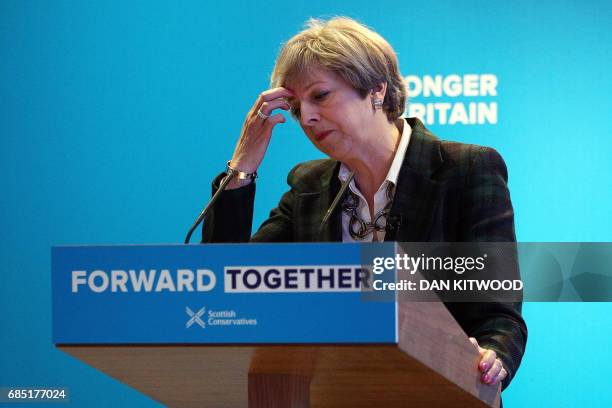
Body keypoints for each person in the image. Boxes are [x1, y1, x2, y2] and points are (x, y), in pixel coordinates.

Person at [201, 17, 526, 391]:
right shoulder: (309, 185)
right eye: (295, 107)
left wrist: (490, 357)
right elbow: (225, 282)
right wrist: (242, 168)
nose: (306, 117)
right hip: (331, 392)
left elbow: (500, 316)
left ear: (376, 90)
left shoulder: (466, 170)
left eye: (320, 96)